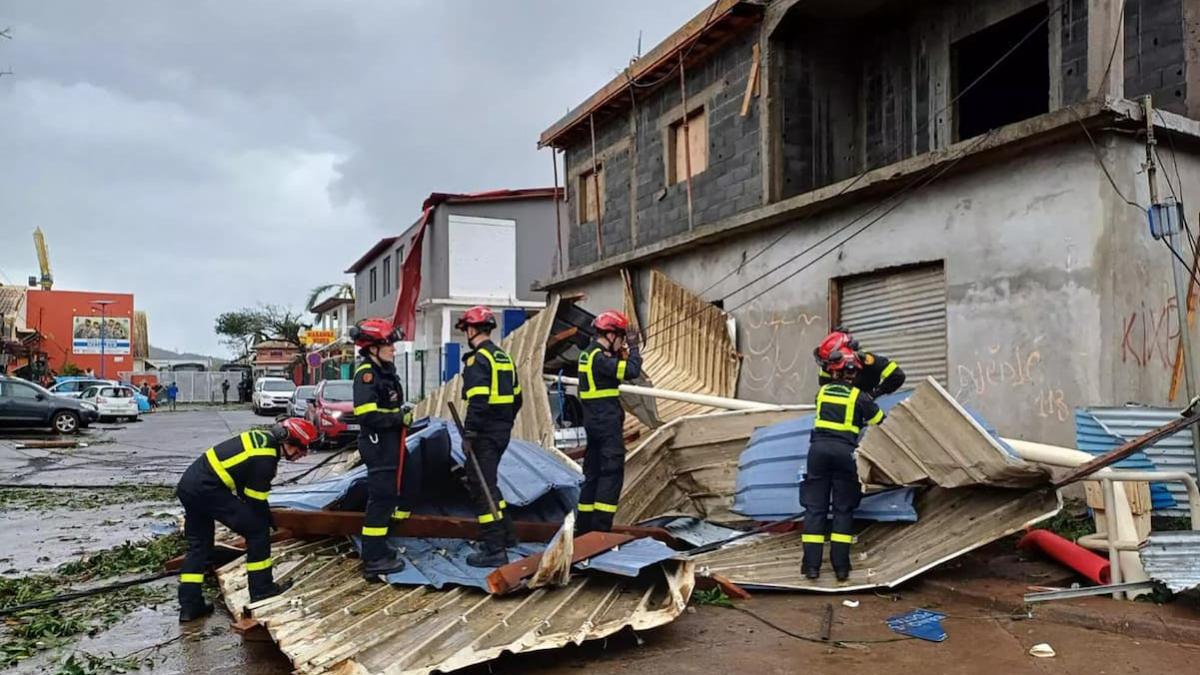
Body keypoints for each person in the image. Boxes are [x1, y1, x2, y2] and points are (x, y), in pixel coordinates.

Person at [175, 418, 316, 622]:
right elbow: (254, 498)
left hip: (189, 487)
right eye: (302, 448)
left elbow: (243, 486)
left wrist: (259, 514)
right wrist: (266, 521)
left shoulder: (260, 440)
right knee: (258, 533)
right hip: (208, 490)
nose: (302, 454)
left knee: (199, 546)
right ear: (288, 441)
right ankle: (262, 590)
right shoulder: (267, 457)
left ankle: (190, 607)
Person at [802, 348, 885, 582]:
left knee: (815, 509)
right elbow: (880, 420)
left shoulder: (822, 393)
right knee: (842, 510)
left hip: (817, 452)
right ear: (854, 374)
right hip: (845, 454)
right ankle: (841, 569)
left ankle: (811, 568)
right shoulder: (859, 396)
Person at [456, 306, 523, 567]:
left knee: (480, 486)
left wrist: (470, 433)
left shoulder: (478, 360)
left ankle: (494, 548)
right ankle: (507, 535)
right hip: (501, 430)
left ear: (471, 330)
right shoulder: (503, 358)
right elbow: (518, 398)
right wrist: (504, 422)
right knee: (490, 483)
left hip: (483, 433)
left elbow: (478, 400)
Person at [349, 318, 410, 580]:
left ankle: (379, 547)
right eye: (388, 345)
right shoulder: (367, 375)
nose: (393, 349)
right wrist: (399, 419)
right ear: (373, 347)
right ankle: (373, 558)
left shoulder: (384, 372)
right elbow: (367, 415)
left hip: (389, 443)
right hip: (378, 444)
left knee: (388, 497)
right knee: (381, 498)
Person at [575, 310, 642, 534]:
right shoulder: (600, 358)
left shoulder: (588, 354)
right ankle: (601, 531)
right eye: (622, 337)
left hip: (593, 423)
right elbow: (632, 371)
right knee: (611, 474)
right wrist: (633, 348)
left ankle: (583, 529)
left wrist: (619, 354)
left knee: (592, 474)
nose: (622, 341)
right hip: (606, 423)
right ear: (612, 335)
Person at [814, 328, 906, 398]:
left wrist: (874, 394)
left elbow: (897, 375)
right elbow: (824, 388)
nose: (830, 368)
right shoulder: (827, 366)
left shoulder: (866, 360)